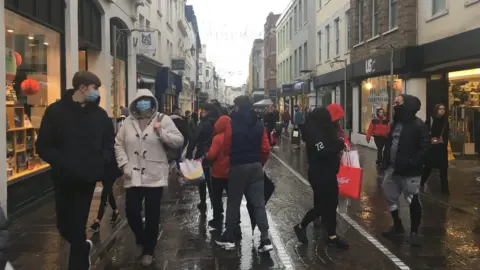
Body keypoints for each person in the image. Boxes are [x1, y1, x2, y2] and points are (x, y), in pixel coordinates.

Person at [36, 71, 111, 270]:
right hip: (63, 177)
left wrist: (100, 163)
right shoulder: (56, 111)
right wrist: (63, 162)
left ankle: (77, 264)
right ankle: (83, 247)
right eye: (95, 88)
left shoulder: (100, 115)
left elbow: (108, 144)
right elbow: (43, 145)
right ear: (83, 88)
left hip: (87, 178)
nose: (97, 93)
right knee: (64, 226)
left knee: (78, 224)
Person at [114, 89, 183, 266]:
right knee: (131, 212)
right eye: (140, 100)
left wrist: (161, 132)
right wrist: (124, 164)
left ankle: (149, 250)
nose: (143, 103)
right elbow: (118, 144)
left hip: (154, 174)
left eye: (147, 100)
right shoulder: (127, 122)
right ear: (135, 102)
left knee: (152, 214)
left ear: (152, 102)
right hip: (133, 174)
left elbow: (178, 140)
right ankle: (142, 239)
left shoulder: (163, 119)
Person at [215, 95, 273, 253]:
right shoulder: (259, 123)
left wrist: (233, 159)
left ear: (238, 107)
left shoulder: (232, 124)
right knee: (258, 204)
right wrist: (259, 163)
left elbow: (227, 146)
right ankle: (265, 238)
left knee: (233, 202)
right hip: (255, 167)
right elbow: (266, 148)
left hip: (238, 166)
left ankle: (229, 237)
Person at [293, 108, 349, 249]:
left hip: (329, 172)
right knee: (323, 206)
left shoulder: (325, 131)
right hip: (319, 174)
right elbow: (323, 152)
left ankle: (332, 235)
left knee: (332, 204)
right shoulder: (314, 134)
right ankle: (301, 226)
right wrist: (338, 145)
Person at [381, 94, 430, 247]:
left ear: (407, 106)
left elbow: (425, 147)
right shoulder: (396, 123)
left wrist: (412, 162)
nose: (394, 106)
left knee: (413, 199)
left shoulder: (419, 125)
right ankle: (397, 226)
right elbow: (390, 143)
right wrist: (385, 160)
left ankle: (414, 232)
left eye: (397, 103)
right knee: (389, 194)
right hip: (392, 169)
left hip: (410, 172)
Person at [89, 119, 122, 232]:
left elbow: (111, 156)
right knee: (109, 192)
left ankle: (98, 220)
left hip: (111, 171)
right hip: (103, 171)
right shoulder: (99, 140)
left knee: (105, 194)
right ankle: (115, 210)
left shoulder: (112, 141)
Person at [186, 103, 219, 212]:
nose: (202, 112)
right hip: (216, 153)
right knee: (213, 181)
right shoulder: (218, 122)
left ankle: (203, 202)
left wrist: (189, 152)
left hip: (203, 153)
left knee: (202, 180)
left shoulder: (204, 123)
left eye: (203, 111)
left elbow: (195, 138)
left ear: (207, 111)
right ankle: (216, 207)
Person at [205, 115, 231, 231]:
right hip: (231, 172)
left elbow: (211, 155)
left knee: (217, 197)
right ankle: (234, 223)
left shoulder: (218, 138)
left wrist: (206, 156)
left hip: (218, 172)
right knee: (232, 198)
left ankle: (217, 218)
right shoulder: (233, 136)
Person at [421, 104, 449, 194]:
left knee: (443, 169)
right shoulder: (430, 120)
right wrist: (430, 139)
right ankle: (421, 182)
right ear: (436, 110)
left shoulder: (445, 121)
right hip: (432, 148)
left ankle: (445, 190)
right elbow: (424, 133)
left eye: (443, 109)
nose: (442, 111)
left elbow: (447, 134)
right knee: (428, 167)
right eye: (440, 109)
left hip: (441, 148)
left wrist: (443, 140)